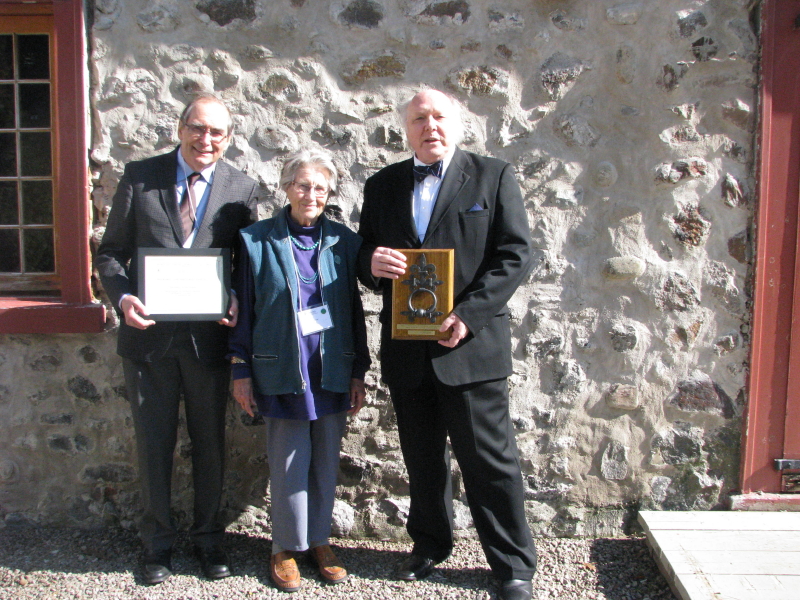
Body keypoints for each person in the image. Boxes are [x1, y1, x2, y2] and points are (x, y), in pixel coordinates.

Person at [357, 89, 537, 600]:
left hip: (470, 347)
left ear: (455, 124)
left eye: (438, 117)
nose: (429, 125)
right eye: (419, 118)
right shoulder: (382, 184)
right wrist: (370, 263)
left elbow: (516, 254)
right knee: (421, 458)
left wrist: (470, 314)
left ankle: (512, 566)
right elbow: (365, 249)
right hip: (408, 349)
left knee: (489, 460)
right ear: (405, 128)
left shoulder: (492, 175)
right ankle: (430, 545)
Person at [95, 94, 259, 585]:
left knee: (211, 443)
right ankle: (157, 547)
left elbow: (245, 265)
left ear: (228, 138)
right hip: (148, 339)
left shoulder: (242, 188)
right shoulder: (141, 176)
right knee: (153, 443)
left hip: (210, 341)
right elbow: (111, 254)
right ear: (180, 127)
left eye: (217, 132)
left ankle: (210, 542)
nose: (205, 139)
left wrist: (235, 295)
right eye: (197, 128)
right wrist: (123, 299)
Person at [229, 149, 369, 593]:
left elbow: (352, 309)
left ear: (330, 195)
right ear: (287, 186)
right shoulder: (255, 240)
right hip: (282, 367)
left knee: (326, 459)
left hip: (330, 366)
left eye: (321, 188)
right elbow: (243, 311)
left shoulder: (344, 242)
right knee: (289, 461)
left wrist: (358, 370)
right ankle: (285, 547)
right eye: (303, 185)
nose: (312, 194)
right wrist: (240, 369)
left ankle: (319, 542)